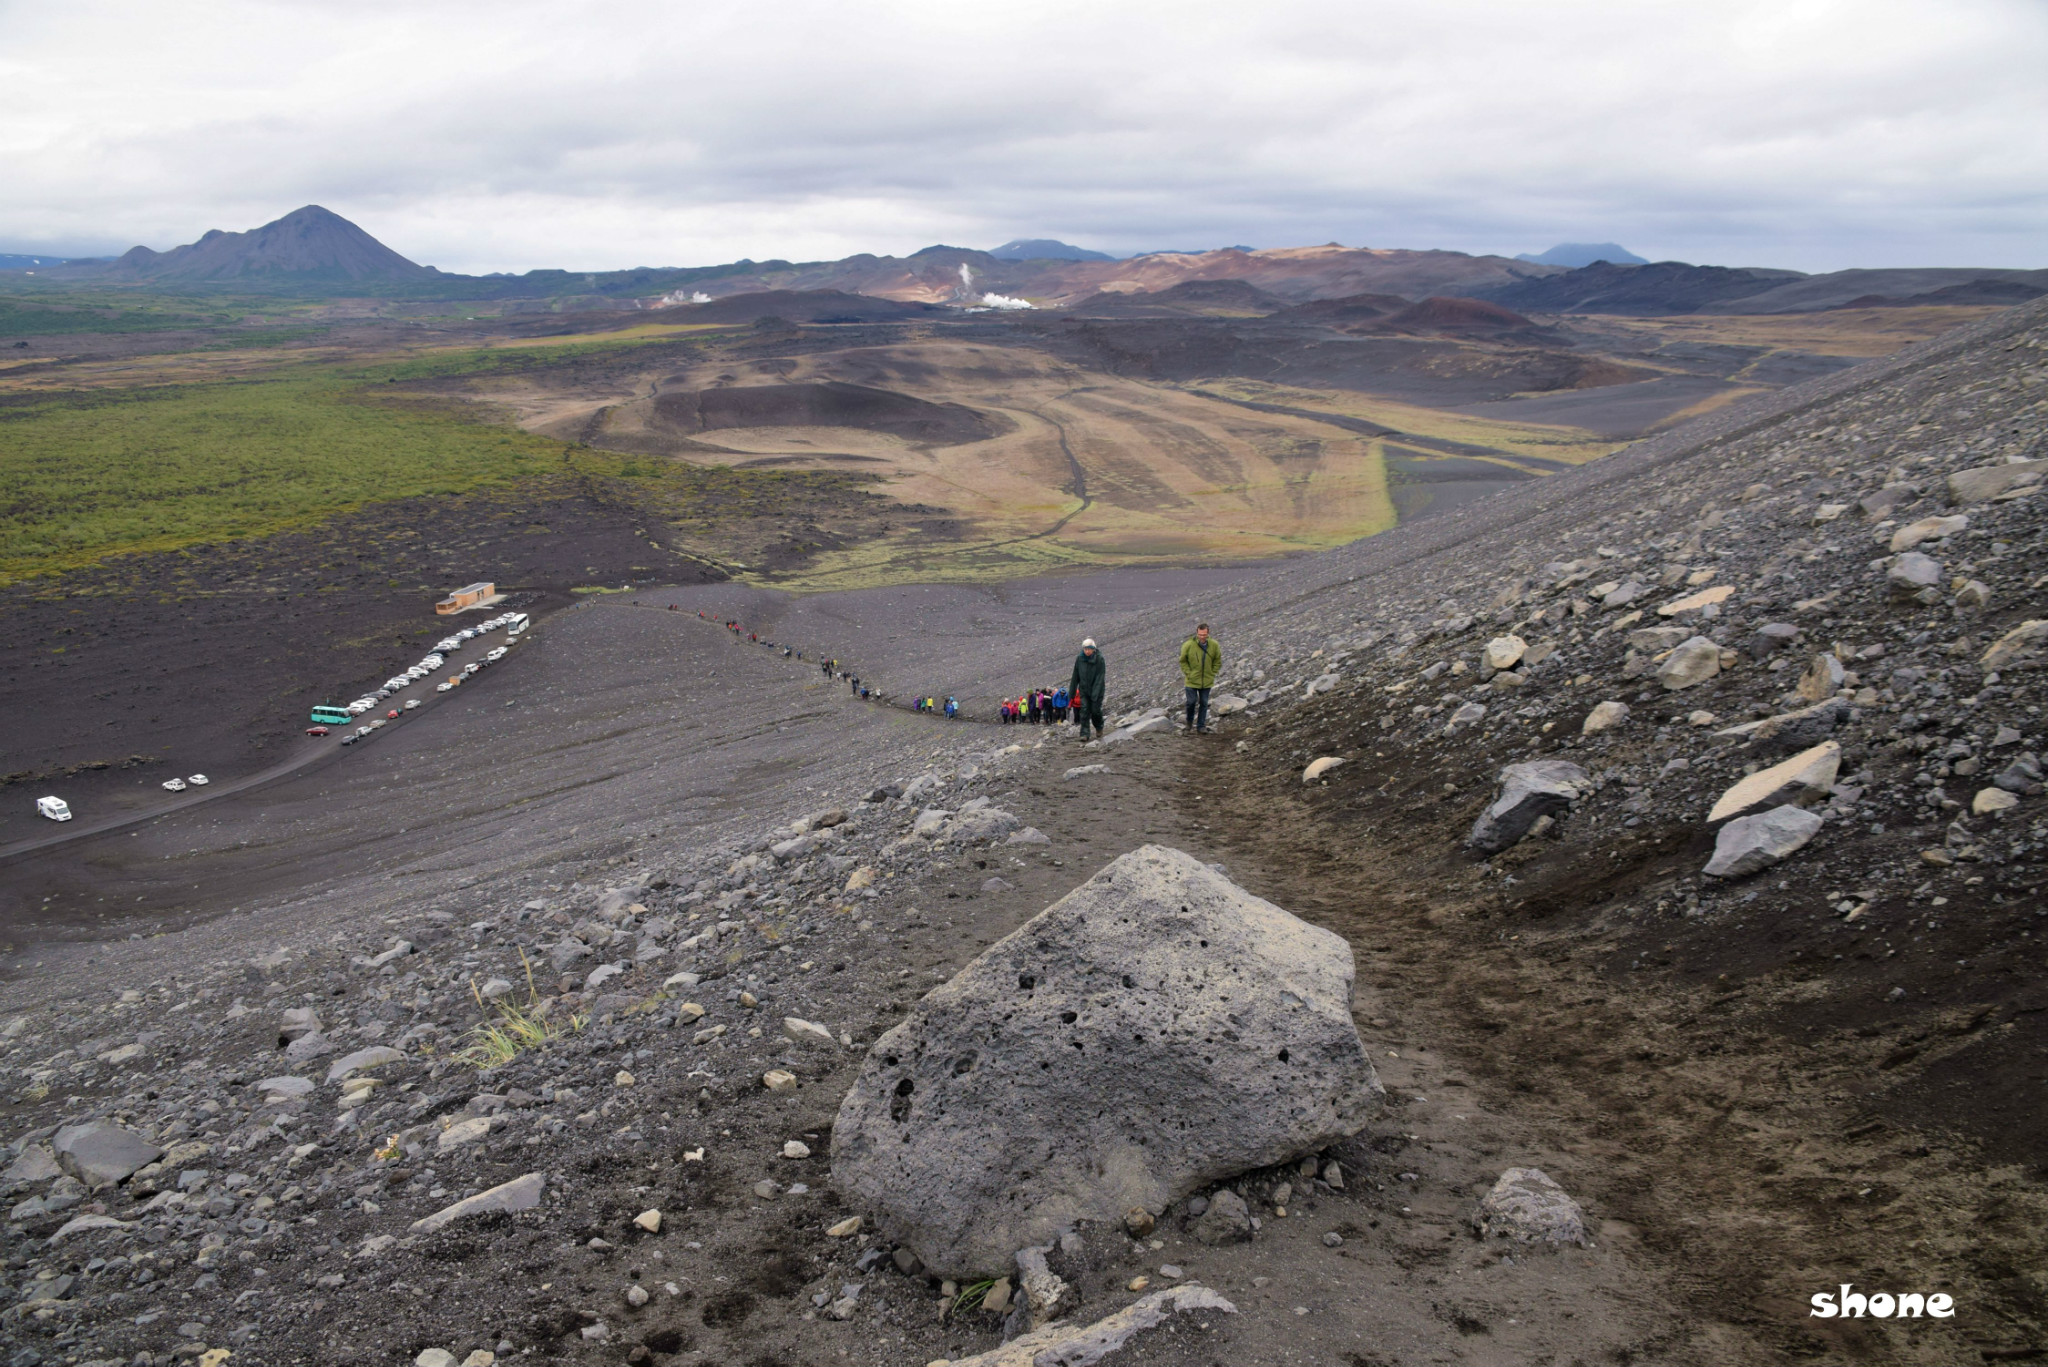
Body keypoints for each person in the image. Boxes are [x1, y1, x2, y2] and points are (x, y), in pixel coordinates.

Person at [1179, 622, 1222, 734]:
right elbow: (1183, 661)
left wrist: (1213, 672)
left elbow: (1217, 660)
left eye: (1204, 635)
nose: (1202, 637)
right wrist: (1189, 673)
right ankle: (1188, 725)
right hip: (1191, 680)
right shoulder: (1188, 645)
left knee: (1204, 702)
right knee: (1191, 702)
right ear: (1197, 633)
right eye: (1200, 634)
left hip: (1206, 680)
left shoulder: (1214, 645)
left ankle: (1201, 726)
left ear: (1208, 634)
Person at [1069, 638, 1106, 740]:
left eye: (1089, 649)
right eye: (1085, 649)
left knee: (1095, 711)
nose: (1087, 651)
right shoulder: (1080, 659)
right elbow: (1075, 675)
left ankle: (1099, 727)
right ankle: (1084, 734)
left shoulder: (1099, 659)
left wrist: (1095, 693)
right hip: (1084, 690)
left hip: (1097, 691)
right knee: (1084, 711)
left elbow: (1100, 677)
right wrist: (1071, 693)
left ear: (1093, 649)